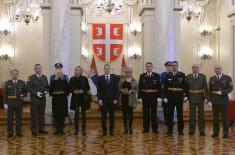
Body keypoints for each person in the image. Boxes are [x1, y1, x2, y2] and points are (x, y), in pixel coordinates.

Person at [163, 61, 188, 135]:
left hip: (179, 97)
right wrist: (164, 96)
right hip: (170, 97)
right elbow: (165, 87)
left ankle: (180, 130)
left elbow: (185, 86)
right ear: (171, 67)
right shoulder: (168, 75)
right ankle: (169, 129)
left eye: (175, 65)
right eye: (172, 65)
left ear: (178, 66)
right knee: (169, 114)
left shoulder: (182, 75)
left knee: (180, 114)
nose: (174, 67)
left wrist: (186, 95)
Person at [208, 65, 233, 138]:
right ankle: (216, 132)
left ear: (221, 69)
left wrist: (222, 92)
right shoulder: (211, 78)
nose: (218, 70)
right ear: (214, 70)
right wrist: (209, 100)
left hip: (224, 101)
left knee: (225, 118)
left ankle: (226, 133)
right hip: (215, 101)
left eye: (219, 68)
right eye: (216, 69)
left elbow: (230, 88)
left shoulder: (227, 78)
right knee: (215, 118)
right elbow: (210, 90)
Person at [138, 62, 162, 133]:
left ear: (152, 67)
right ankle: (146, 128)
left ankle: (155, 128)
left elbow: (159, 87)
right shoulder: (142, 76)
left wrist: (159, 96)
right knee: (145, 113)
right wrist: (140, 97)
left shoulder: (156, 75)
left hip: (154, 97)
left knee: (154, 114)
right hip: (145, 97)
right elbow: (140, 87)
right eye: (147, 66)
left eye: (150, 66)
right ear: (146, 67)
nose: (148, 67)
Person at [3, 69, 27, 137]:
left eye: (16, 73)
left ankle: (18, 131)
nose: (15, 75)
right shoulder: (7, 82)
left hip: (19, 102)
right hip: (10, 102)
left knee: (19, 118)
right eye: (13, 73)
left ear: (18, 74)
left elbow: (25, 92)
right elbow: (5, 94)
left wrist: (22, 95)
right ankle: (10, 132)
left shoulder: (22, 82)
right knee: (10, 118)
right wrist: (5, 103)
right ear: (11, 74)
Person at [27, 64, 49, 136]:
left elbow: (47, 87)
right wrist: (36, 93)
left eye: (39, 68)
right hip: (34, 100)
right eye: (36, 68)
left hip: (43, 100)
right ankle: (33, 130)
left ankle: (41, 129)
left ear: (41, 68)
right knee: (34, 115)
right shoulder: (31, 77)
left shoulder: (44, 77)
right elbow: (28, 88)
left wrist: (46, 91)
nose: (38, 69)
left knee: (41, 115)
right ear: (34, 69)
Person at [186, 64, 208, 136]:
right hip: (192, 97)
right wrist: (186, 96)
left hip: (200, 97)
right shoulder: (188, 76)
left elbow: (206, 88)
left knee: (201, 115)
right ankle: (191, 130)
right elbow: (186, 88)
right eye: (193, 67)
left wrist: (207, 98)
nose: (195, 69)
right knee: (192, 115)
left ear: (199, 69)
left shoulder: (203, 76)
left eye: (196, 67)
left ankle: (202, 130)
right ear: (191, 68)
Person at [97, 64, 119, 136]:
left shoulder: (114, 78)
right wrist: (99, 99)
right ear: (104, 69)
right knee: (103, 117)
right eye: (105, 68)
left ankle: (111, 130)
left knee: (112, 116)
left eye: (108, 68)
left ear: (110, 69)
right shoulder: (100, 78)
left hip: (112, 100)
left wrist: (116, 98)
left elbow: (116, 89)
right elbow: (99, 90)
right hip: (103, 101)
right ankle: (104, 130)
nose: (107, 70)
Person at [69, 66, 90, 136]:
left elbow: (88, 87)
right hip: (75, 98)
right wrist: (74, 91)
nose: (78, 71)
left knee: (83, 114)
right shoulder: (72, 79)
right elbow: (69, 88)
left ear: (81, 71)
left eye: (79, 70)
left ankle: (83, 129)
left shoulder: (84, 78)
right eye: (77, 70)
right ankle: (76, 129)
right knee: (76, 114)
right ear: (75, 71)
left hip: (83, 98)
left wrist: (82, 90)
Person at [119, 67, 138, 135]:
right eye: (127, 72)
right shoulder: (121, 80)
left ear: (131, 72)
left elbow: (136, 90)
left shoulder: (134, 80)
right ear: (125, 73)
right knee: (124, 115)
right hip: (123, 99)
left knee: (130, 115)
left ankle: (130, 128)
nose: (128, 73)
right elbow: (118, 88)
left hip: (131, 100)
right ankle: (125, 129)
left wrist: (131, 91)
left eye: (129, 72)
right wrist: (122, 90)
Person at [49, 70, 69, 135]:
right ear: (56, 75)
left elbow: (68, 91)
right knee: (56, 116)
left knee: (62, 116)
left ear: (62, 74)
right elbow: (50, 91)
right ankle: (57, 130)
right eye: (58, 73)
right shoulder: (53, 82)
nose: (59, 74)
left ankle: (61, 129)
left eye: (60, 73)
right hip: (55, 101)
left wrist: (63, 92)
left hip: (63, 101)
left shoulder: (65, 82)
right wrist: (54, 93)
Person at [160, 61, 172, 125]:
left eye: (170, 66)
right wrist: (162, 96)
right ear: (166, 67)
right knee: (165, 108)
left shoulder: (173, 73)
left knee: (171, 108)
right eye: (167, 66)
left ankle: (171, 121)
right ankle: (166, 121)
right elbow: (161, 85)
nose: (169, 67)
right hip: (164, 93)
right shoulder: (162, 74)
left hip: (172, 94)